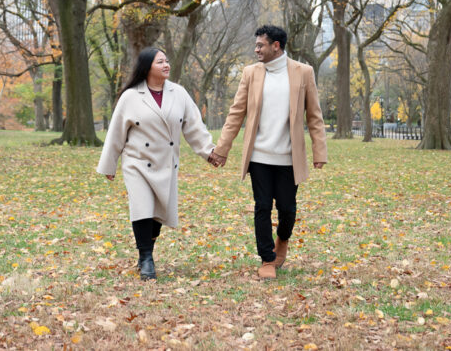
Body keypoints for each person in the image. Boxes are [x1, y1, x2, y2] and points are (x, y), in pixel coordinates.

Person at [209, 25, 327, 279]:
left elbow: (314, 115)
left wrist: (319, 151)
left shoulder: (303, 72)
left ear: (276, 46)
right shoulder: (251, 73)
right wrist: (222, 149)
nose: (256, 50)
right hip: (259, 156)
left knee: (287, 209)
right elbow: (236, 113)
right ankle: (267, 259)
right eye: (256, 45)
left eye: (260, 45)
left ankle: (282, 239)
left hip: (288, 157)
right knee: (262, 206)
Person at [97, 47, 223, 281]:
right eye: (160, 62)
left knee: (158, 213)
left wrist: (209, 152)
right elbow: (116, 132)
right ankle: (146, 257)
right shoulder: (131, 96)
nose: (166, 65)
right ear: (147, 67)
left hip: (166, 163)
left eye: (167, 61)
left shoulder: (179, 93)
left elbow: (194, 126)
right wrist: (109, 165)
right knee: (142, 209)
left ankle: (148, 251)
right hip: (137, 162)